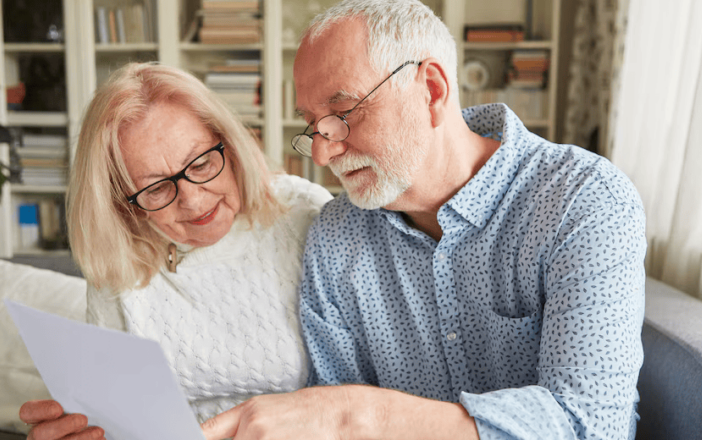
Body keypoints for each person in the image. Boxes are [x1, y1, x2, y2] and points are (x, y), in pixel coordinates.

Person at [201, 1, 646, 439]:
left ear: (431, 90)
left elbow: (590, 425)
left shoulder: (582, 201)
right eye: (314, 125)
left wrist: (358, 417)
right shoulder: (336, 236)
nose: (321, 152)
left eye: (342, 113)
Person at [18, 62, 333, 440]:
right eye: (156, 189)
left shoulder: (304, 213)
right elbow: (121, 420)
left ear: (230, 145)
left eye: (200, 164)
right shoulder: (121, 263)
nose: (193, 200)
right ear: (123, 203)